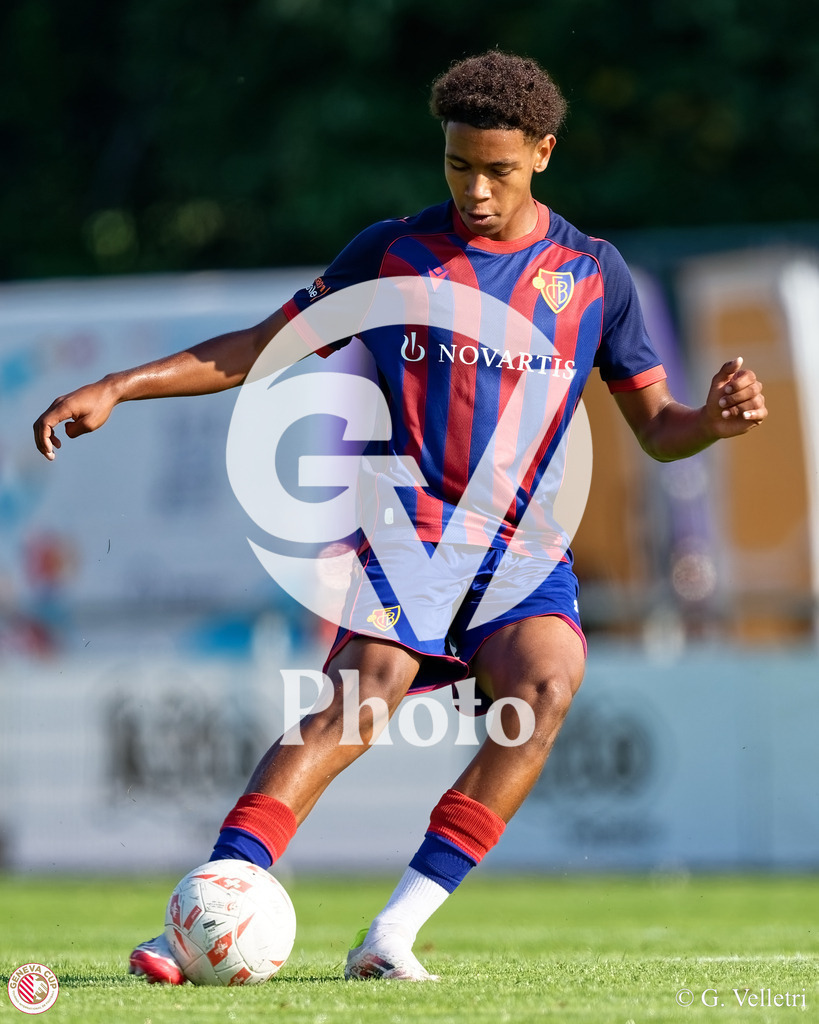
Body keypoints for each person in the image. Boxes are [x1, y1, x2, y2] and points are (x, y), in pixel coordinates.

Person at [33, 51, 767, 984]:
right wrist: (117, 386)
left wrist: (711, 420)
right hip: (409, 529)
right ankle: (215, 897)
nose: (476, 190)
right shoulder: (392, 253)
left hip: (520, 546)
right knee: (368, 683)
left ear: (543, 153)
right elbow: (258, 351)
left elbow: (657, 429)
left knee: (547, 684)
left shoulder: (593, 275)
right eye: (459, 166)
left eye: (497, 169)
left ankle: (392, 933)